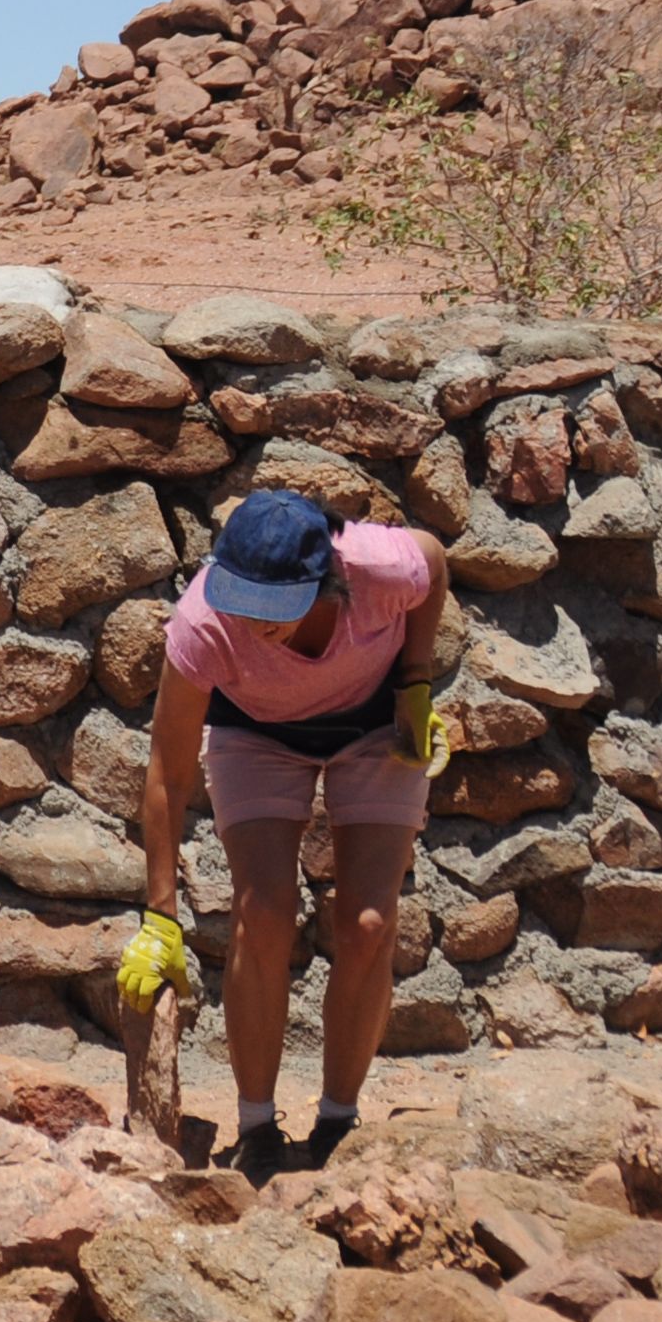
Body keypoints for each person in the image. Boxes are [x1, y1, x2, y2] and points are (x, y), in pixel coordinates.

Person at [121, 489, 453, 1178]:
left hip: (371, 726)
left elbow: (434, 563)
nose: (252, 623)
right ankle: (256, 1126)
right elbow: (166, 773)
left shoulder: (376, 568)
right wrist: (160, 917)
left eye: (272, 610)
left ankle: (337, 1118)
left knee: (366, 922)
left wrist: (414, 682)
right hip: (256, 733)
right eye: (242, 601)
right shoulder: (203, 622)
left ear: (327, 579)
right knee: (263, 910)